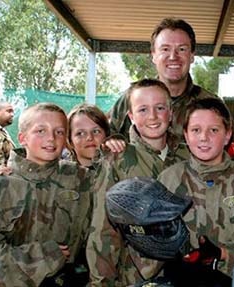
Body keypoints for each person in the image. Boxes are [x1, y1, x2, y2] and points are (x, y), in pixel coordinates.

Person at [0, 103, 93, 286]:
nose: (51, 138)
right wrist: (42, 258)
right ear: (22, 138)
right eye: (40, 131)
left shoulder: (81, 179)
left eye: (59, 132)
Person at [157, 98, 234, 285]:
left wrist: (223, 254)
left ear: (227, 135)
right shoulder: (168, 179)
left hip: (230, 279)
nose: (204, 137)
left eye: (214, 130)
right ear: (186, 135)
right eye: (196, 130)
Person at [86, 79, 189, 286]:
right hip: (134, 276)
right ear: (131, 117)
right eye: (142, 110)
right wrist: (101, 282)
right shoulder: (118, 159)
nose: (152, 116)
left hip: (188, 271)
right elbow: (103, 230)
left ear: (170, 113)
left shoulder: (190, 154)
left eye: (160, 108)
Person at [109, 18, 218, 141]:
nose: (173, 57)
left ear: (192, 56)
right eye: (165, 49)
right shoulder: (131, 99)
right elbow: (108, 144)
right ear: (154, 56)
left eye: (182, 49)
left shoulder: (212, 104)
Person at [67, 103, 111, 168]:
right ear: (70, 142)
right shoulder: (58, 174)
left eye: (96, 131)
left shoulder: (119, 170)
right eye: (80, 133)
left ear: (106, 135)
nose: (90, 137)